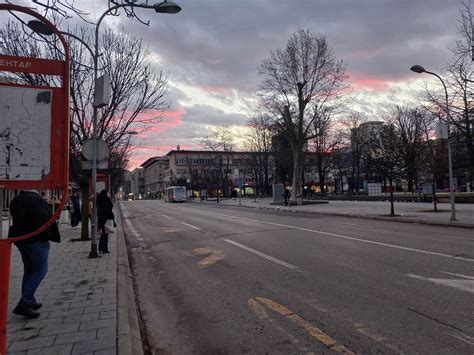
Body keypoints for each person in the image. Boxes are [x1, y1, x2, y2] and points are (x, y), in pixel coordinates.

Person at [8, 189, 61, 319]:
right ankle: (25, 303)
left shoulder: (16, 199)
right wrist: (49, 234)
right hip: (36, 240)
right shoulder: (36, 201)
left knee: (29, 270)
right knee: (40, 270)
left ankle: (29, 299)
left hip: (22, 240)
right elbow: (44, 220)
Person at [97, 189, 114, 254]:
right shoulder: (106, 200)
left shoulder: (99, 199)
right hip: (106, 219)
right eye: (107, 193)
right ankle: (104, 249)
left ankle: (101, 248)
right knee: (105, 235)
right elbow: (109, 208)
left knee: (103, 234)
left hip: (101, 220)